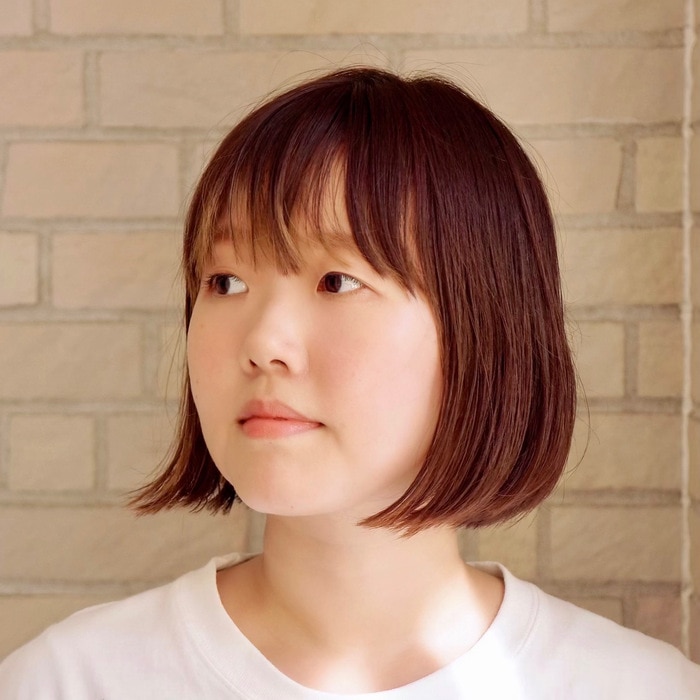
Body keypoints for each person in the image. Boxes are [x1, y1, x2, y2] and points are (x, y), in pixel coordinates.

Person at [0, 66, 698, 699]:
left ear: (485, 327)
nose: (263, 343)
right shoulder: (69, 682)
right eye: (226, 281)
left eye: (337, 281)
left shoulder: (639, 689)